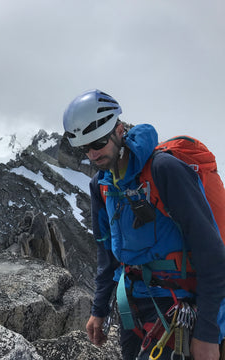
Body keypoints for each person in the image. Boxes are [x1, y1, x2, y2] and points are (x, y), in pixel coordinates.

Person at [62, 89, 225, 360]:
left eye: (98, 143)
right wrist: (99, 309)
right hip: (134, 306)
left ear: (119, 129)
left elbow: (213, 254)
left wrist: (207, 334)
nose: (92, 154)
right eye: (84, 148)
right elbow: (107, 254)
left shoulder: (164, 170)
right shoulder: (101, 184)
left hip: (181, 305)